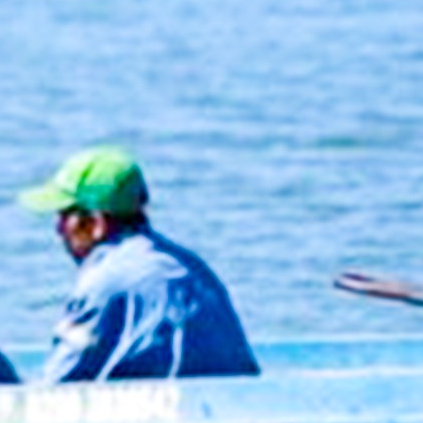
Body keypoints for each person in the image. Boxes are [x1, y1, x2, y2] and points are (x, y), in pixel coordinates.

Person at [18, 144, 258, 384]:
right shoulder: (193, 267)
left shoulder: (106, 282)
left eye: (64, 216)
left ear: (96, 223)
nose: (58, 230)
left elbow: (57, 385)